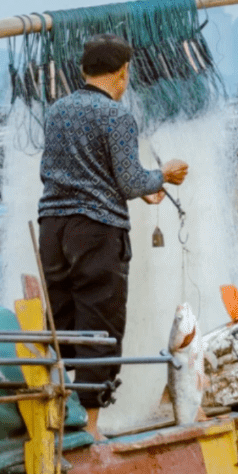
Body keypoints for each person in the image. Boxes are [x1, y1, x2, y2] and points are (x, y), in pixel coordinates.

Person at [38, 34, 189, 431]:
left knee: (60, 320)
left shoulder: (57, 111)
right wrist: (163, 175)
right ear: (123, 73)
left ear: (83, 70)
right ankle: (89, 426)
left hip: (53, 229)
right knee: (98, 324)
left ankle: (55, 415)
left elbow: (85, 173)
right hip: (97, 232)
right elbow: (128, 180)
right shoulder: (117, 116)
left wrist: (143, 188)